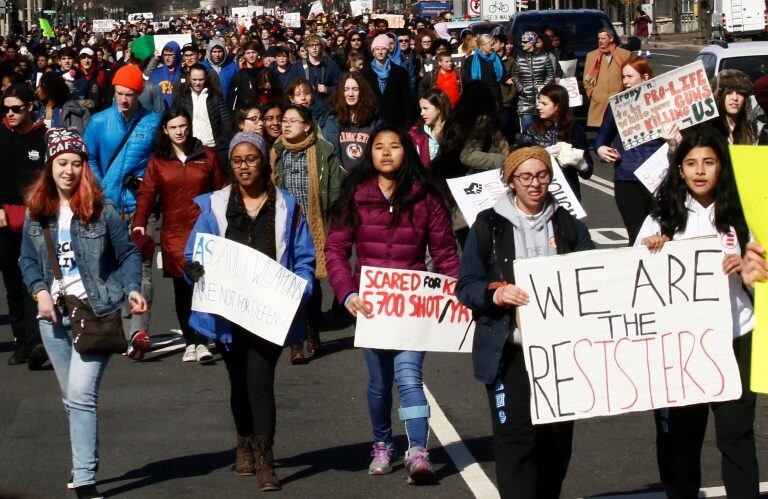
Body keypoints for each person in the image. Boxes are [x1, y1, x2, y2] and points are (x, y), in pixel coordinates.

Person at [457, 145, 594, 499]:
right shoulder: (488, 225)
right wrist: (496, 294)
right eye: (526, 177)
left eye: (542, 175)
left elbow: (592, 277)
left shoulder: (568, 225)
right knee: (515, 439)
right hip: (510, 350)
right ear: (511, 181)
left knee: (556, 442)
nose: (535, 184)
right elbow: (467, 285)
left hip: (561, 352)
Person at [325, 125, 460, 484]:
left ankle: (418, 451)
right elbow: (336, 250)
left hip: (413, 306)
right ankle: (382, 443)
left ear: (407, 152)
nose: (386, 152)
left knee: (409, 377)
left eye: (394, 146)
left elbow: (446, 253)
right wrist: (347, 293)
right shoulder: (355, 194)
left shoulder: (426, 198)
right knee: (379, 383)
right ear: (370, 154)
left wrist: (456, 294)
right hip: (370, 308)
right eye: (379, 147)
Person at [20, 127, 147, 499]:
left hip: (97, 311)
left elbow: (128, 254)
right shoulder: (37, 212)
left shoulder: (101, 209)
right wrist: (40, 292)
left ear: (84, 168)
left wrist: (133, 287)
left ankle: (84, 477)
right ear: (50, 165)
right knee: (70, 396)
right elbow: (27, 260)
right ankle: (82, 463)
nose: (69, 170)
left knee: (80, 395)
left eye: (76, 163)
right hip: (54, 318)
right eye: (62, 163)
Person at [184, 132, 315, 492]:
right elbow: (193, 253)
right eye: (238, 160)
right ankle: (243, 439)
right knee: (238, 383)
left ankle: (265, 459)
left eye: (251, 159)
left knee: (260, 382)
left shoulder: (287, 206)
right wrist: (193, 269)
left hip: (269, 314)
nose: (244, 166)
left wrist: (301, 289)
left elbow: (304, 258)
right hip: (228, 314)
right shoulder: (216, 206)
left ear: (264, 162)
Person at [635, 125, 758, 498]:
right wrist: (652, 249)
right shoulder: (663, 216)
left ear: (722, 166)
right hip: (680, 346)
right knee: (681, 442)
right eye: (691, 163)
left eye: (709, 162)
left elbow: (761, 274)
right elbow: (633, 279)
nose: (700, 171)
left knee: (736, 434)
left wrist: (748, 266)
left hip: (735, 335)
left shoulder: (742, 213)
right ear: (680, 169)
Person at [133, 108, 224, 363]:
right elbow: (147, 194)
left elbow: (221, 192)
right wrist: (139, 222)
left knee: (204, 286)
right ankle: (190, 340)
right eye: (173, 127)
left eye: (183, 126)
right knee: (183, 289)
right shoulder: (158, 161)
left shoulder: (207, 156)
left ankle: (202, 340)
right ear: (165, 130)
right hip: (173, 234)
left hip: (204, 231)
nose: (180, 131)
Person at [83, 64, 161, 357]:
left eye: (129, 94)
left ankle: (139, 330)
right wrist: (101, 190)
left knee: (142, 269)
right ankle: (123, 327)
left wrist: (147, 182)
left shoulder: (152, 122)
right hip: (109, 206)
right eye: (119, 94)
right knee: (112, 269)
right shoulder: (100, 122)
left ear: (139, 94)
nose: (124, 100)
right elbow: (88, 157)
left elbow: (159, 159)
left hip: (142, 206)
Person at [270, 104, 344, 363]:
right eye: (284, 120)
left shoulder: (323, 152)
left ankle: (312, 331)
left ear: (307, 126)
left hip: (313, 226)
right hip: (284, 229)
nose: (286, 125)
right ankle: (295, 339)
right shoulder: (276, 153)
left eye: (292, 120)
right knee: (287, 284)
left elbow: (336, 190)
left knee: (311, 281)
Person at [0, 84, 47, 367]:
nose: (10, 114)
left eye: (16, 108)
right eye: (6, 109)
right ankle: (21, 341)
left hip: (35, 218)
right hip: (5, 216)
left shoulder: (43, 136)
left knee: (35, 281)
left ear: (30, 107)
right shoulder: (1, 134)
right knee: (12, 283)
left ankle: (37, 341)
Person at [594, 56, 663, 245]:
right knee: (637, 235)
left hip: (660, 178)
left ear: (646, 77)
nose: (625, 82)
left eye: (630, 77)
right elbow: (602, 136)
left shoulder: (663, 102)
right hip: (627, 178)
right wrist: (601, 149)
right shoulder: (617, 105)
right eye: (623, 77)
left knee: (663, 235)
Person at [518, 83, 592, 199]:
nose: (539, 106)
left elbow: (587, 173)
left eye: (544, 103)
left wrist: (581, 164)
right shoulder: (532, 130)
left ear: (558, 106)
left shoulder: (575, 130)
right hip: (538, 191)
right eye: (539, 102)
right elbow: (517, 160)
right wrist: (542, 154)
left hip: (567, 193)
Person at [173, 63, 231, 165]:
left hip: (212, 146)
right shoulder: (182, 97)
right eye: (194, 80)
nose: (197, 83)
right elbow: (174, 119)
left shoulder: (215, 96)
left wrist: (222, 142)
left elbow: (225, 120)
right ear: (189, 78)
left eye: (201, 79)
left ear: (206, 79)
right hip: (191, 147)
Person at [324, 71, 380, 172]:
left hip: (368, 179)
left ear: (362, 91)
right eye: (346, 90)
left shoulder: (374, 120)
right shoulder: (333, 120)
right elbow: (331, 154)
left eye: (355, 89)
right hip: (342, 180)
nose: (350, 94)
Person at [363, 34, 414, 127]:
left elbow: (407, 98)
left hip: (395, 121)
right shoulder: (364, 73)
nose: (380, 52)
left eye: (383, 49)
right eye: (377, 49)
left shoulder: (400, 71)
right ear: (373, 52)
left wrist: (408, 123)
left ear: (388, 50)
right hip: (371, 122)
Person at [583, 28, 631, 129]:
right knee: (601, 142)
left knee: (618, 140)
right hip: (599, 103)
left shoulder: (625, 55)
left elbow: (631, 77)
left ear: (611, 38)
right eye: (599, 38)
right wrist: (593, 94)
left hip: (620, 104)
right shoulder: (591, 56)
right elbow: (586, 80)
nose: (600, 41)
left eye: (603, 38)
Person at [513, 32, 555, 134]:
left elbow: (550, 74)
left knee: (543, 130)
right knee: (526, 129)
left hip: (541, 98)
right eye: (522, 42)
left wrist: (544, 86)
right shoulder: (519, 58)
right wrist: (521, 88)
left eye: (525, 42)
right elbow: (515, 76)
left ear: (532, 42)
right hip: (524, 99)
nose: (522, 44)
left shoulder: (544, 56)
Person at [286, 34, 341, 108]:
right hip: (303, 107)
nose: (314, 48)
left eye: (317, 45)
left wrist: (327, 89)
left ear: (321, 47)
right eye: (311, 45)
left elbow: (340, 86)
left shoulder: (331, 65)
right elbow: (289, 87)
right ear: (307, 48)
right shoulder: (297, 66)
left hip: (325, 108)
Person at [462, 34, 512, 107]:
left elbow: (503, 75)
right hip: (478, 98)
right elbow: (467, 80)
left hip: (494, 98)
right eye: (491, 45)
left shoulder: (496, 58)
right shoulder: (471, 60)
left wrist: (508, 80)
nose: (493, 47)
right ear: (483, 46)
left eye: (493, 45)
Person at [711, 69, 758, 145]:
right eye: (729, 93)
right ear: (720, 96)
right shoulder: (709, 129)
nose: (735, 98)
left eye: (740, 93)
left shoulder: (755, 129)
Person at [410, 88, 450, 168]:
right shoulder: (415, 133)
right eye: (421, 109)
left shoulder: (452, 132)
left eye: (425, 108)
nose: (421, 113)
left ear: (439, 108)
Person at [149, 41, 182, 109]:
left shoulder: (184, 74)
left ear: (177, 55)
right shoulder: (155, 74)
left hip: (178, 114)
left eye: (170, 55)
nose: (167, 58)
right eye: (165, 55)